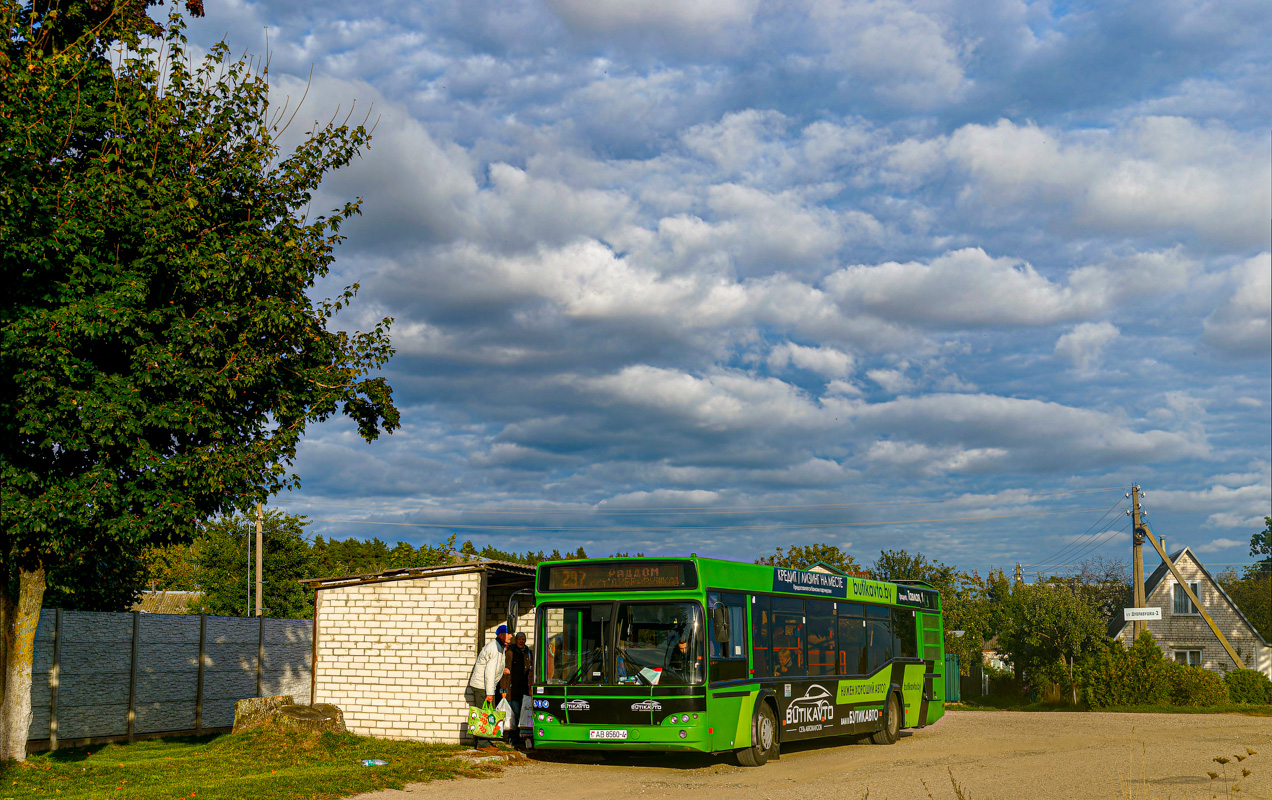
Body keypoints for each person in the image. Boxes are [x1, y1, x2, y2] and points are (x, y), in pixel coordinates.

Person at [468, 624, 511, 751]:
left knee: (488, 713)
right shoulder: (494, 648)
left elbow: (494, 667)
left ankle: (486, 741)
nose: (511, 636)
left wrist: (502, 670)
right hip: (482, 686)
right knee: (484, 714)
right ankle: (482, 744)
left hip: (485, 685)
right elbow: (489, 672)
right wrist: (490, 693)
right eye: (508, 634)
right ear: (501, 635)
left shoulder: (499, 647)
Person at [502, 631, 533, 747]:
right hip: (513, 689)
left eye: (523, 639)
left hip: (525, 689)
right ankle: (513, 738)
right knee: (514, 713)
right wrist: (504, 689)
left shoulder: (529, 652)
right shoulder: (510, 653)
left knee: (524, 713)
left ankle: (522, 738)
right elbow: (506, 672)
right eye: (519, 639)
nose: (521, 641)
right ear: (516, 640)